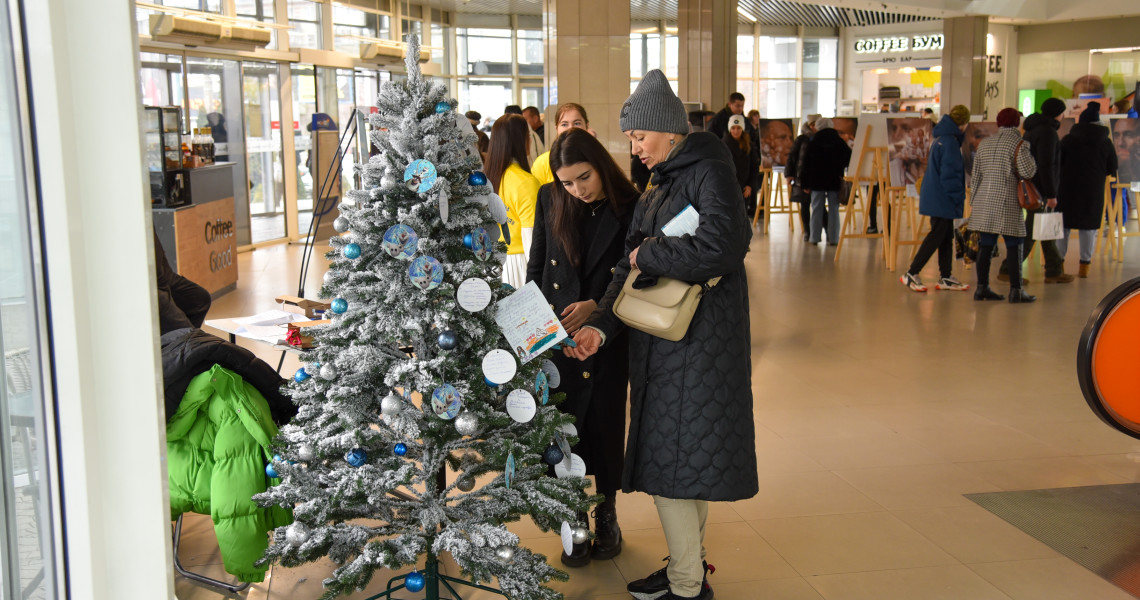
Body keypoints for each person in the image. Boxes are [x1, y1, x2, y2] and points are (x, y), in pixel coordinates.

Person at [568, 69, 757, 600]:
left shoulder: (708, 170)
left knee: (674, 466)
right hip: (665, 343)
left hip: (699, 343)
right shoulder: (663, 179)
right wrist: (601, 329)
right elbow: (625, 274)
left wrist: (648, 252)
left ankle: (686, 585)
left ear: (668, 130)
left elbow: (724, 245)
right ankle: (687, 568)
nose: (635, 147)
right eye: (629, 138)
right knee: (683, 463)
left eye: (639, 136)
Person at [525, 128, 638, 567]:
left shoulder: (630, 204)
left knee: (606, 426)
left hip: (608, 333)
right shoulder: (551, 198)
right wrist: (535, 331)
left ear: (601, 166)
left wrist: (597, 310)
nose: (576, 190)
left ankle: (606, 510)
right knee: (565, 426)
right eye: (567, 181)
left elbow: (629, 273)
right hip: (557, 334)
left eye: (584, 178)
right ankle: (573, 514)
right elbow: (538, 265)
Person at [998, 97, 1072, 284]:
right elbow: (1047, 165)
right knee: (1032, 232)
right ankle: (1008, 269)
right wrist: (1051, 194)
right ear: (1058, 113)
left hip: (1032, 187)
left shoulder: (1031, 130)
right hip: (1040, 191)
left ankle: (1054, 271)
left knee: (1046, 229)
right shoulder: (1048, 133)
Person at [899, 105, 972, 292]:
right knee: (936, 236)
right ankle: (911, 273)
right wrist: (958, 198)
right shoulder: (950, 143)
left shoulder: (941, 138)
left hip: (936, 195)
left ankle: (946, 276)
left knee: (945, 236)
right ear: (963, 124)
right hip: (943, 198)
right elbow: (951, 175)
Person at [968, 107, 1038, 303]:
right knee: (1015, 244)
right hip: (1007, 202)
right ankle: (1016, 291)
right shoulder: (1019, 144)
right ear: (1017, 123)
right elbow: (1028, 172)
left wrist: (974, 201)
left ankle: (982, 288)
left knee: (986, 245)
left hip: (984, 201)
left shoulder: (984, 144)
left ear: (999, 123)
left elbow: (976, 176)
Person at [1058, 102, 1118, 278]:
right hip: (1093, 190)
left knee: (1064, 226)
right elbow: (1112, 167)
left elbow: (1058, 162)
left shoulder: (1068, 140)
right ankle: (1084, 265)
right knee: (1088, 227)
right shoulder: (1105, 142)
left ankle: (1059, 263)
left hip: (1067, 189)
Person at [484, 114, 541, 289]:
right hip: (520, 266)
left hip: (490, 266)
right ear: (522, 140)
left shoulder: (486, 180)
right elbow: (533, 240)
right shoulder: (525, 182)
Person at [800, 118, 851, 245]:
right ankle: (833, 238)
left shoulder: (813, 141)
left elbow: (805, 163)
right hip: (834, 179)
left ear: (818, 127)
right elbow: (848, 157)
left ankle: (814, 237)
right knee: (834, 208)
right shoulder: (839, 141)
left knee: (817, 208)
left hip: (816, 180)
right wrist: (839, 168)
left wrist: (804, 183)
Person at [155, 229, 212, 335]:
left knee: (200, 299)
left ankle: (175, 346)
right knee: (190, 336)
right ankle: (182, 343)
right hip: (155, 291)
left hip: (165, 278)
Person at [530, 103, 595, 185]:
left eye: (577, 123)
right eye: (564, 124)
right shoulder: (542, 163)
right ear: (556, 128)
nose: (571, 128)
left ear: (587, 126)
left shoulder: (596, 157)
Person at [721, 114, 761, 216]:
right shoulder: (723, 145)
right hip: (728, 188)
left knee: (742, 217)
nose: (736, 131)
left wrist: (750, 185)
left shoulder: (749, 145)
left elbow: (754, 167)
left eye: (738, 128)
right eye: (733, 128)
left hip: (744, 188)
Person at [784, 117, 816, 240]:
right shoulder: (802, 139)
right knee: (805, 205)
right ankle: (807, 231)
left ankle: (821, 231)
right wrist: (789, 174)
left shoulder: (818, 139)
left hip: (814, 178)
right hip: (802, 177)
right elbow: (792, 157)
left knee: (818, 205)